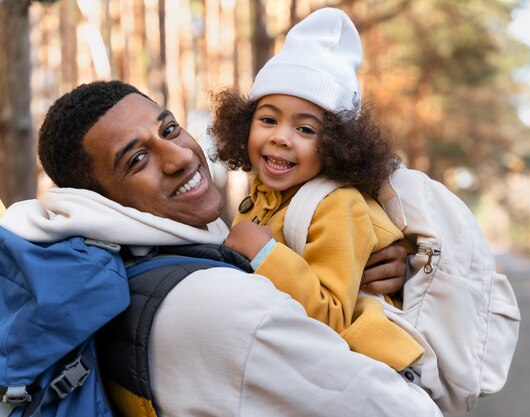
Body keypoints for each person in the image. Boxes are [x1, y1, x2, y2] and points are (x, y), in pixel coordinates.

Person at [0, 80, 442, 417]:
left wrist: (378, 272)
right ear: (98, 197)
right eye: (136, 160)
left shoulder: (111, 275)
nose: (179, 157)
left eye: (169, 129)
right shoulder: (221, 304)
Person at [211, 7, 423, 372]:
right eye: (268, 119)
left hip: (359, 375)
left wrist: (264, 255)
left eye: (305, 129)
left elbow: (334, 317)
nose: (280, 136)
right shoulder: (260, 199)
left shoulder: (340, 205)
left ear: (338, 144)